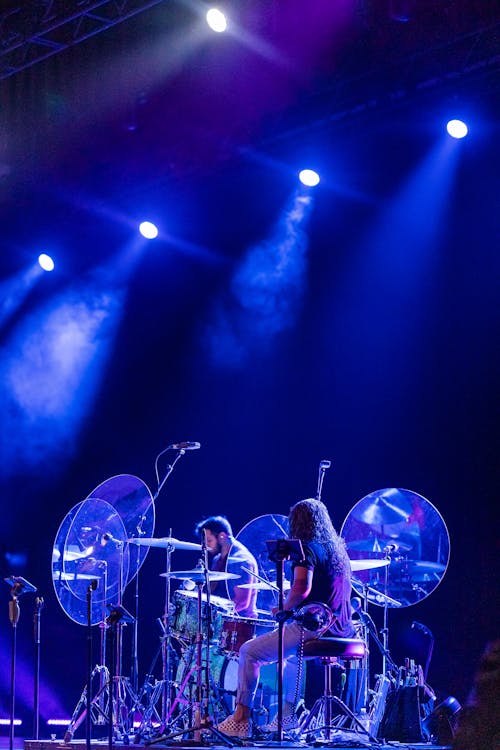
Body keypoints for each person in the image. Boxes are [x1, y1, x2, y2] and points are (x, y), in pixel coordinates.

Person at [216, 498, 355, 738]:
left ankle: (241, 719)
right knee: (289, 658)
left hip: (316, 627)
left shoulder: (307, 548)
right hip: (341, 628)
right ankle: (288, 715)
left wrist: (284, 607)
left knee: (248, 652)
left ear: (297, 523)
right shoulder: (337, 552)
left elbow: (301, 586)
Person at [194, 515, 259, 618]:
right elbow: (211, 593)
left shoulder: (241, 560)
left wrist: (212, 616)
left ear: (222, 536)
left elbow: (242, 602)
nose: (206, 547)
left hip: (238, 624)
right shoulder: (217, 560)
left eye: (209, 541)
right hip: (221, 620)